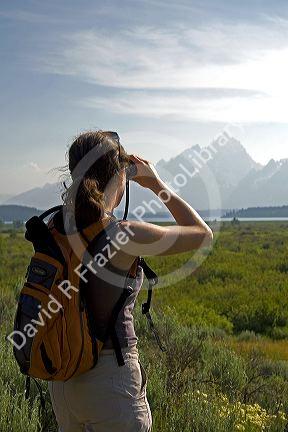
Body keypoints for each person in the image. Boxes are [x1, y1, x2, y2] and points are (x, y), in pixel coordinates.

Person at [48, 130, 213, 432]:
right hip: (111, 382)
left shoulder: (57, 227)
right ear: (120, 176)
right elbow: (202, 234)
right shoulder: (124, 235)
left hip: (64, 381)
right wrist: (155, 184)